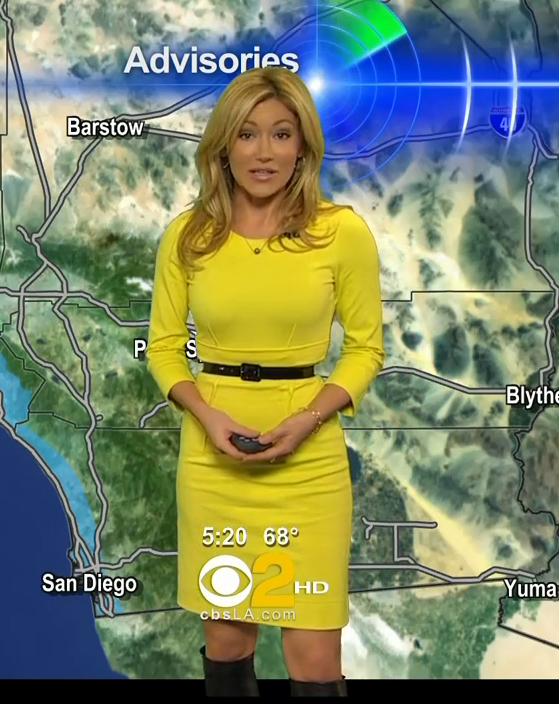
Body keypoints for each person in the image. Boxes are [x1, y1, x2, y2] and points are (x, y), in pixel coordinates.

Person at [145, 66, 385, 697]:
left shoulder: (341, 233)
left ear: (303, 146)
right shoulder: (188, 237)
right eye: (247, 134)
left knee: (313, 659)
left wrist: (307, 419)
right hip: (213, 464)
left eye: (282, 134)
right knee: (227, 647)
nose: (264, 152)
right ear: (223, 146)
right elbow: (165, 350)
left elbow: (365, 350)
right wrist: (206, 415)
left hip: (308, 469)